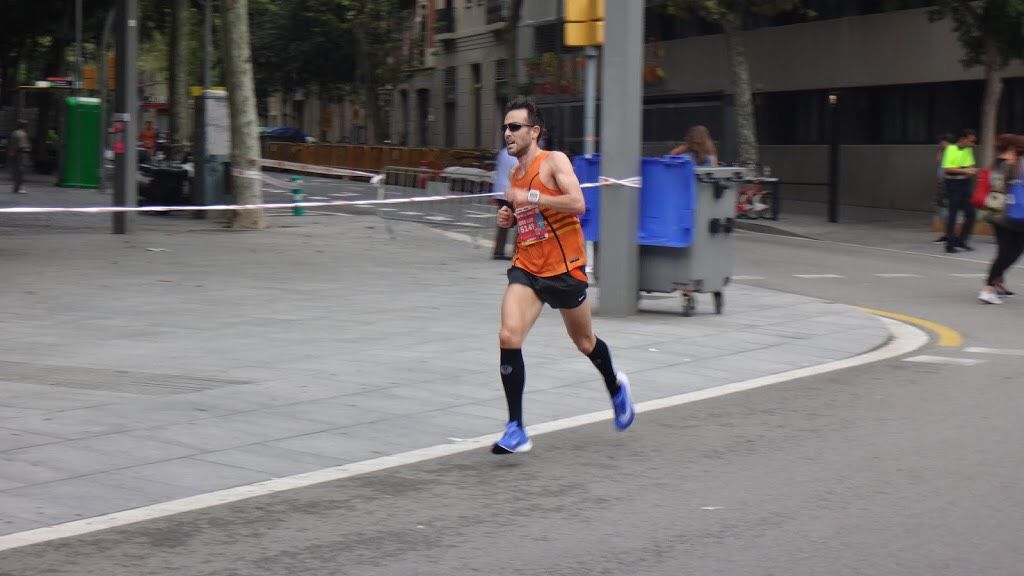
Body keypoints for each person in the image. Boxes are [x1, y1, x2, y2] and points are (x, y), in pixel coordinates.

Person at [491, 97, 634, 454]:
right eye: (505, 128)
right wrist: (509, 217)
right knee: (509, 335)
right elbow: (525, 215)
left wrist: (532, 196)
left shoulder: (554, 161)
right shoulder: (514, 174)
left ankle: (616, 387)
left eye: (515, 127)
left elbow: (577, 204)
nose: (507, 134)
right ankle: (516, 428)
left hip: (565, 267)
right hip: (528, 267)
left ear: (534, 131)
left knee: (585, 342)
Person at [979, 134, 1024, 304]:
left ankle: (996, 282)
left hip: (997, 215)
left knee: (1006, 252)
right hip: (1012, 215)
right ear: (1012, 148)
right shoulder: (1013, 165)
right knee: (1011, 252)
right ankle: (988, 288)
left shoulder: (998, 164)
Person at [942, 128, 978, 253]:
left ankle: (961, 240)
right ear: (963, 139)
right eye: (970, 141)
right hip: (953, 184)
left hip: (965, 184)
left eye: (974, 141)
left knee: (971, 214)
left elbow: (969, 165)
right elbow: (947, 168)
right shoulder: (950, 149)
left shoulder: (968, 150)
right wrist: (965, 170)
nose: (973, 144)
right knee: (953, 214)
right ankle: (950, 245)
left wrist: (972, 170)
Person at [491, 145, 518, 259]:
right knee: (520, 221)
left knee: (503, 222)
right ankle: (517, 251)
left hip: (500, 191)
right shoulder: (517, 154)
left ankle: (498, 251)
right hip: (511, 191)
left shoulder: (502, 152)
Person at [933, 132, 953, 244]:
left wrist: (943, 178)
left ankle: (949, 235)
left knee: (945, 209)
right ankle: (947, 234)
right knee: (942, 209)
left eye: (941, 142)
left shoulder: (951, 152)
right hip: (942, 184)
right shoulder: (945, 152)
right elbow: (938, 159)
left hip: (946, 184)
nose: (940, 144)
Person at [8, 120, 30, 194]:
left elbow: (11, 144)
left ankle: (16, 187)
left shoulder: (14, 133)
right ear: (24, 126)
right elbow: (21, 146)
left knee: (16, 170)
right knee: (21, 171)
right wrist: (27, 149)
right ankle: (18, 188)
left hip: (14, 153)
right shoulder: (22, 134)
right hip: (21, 154)